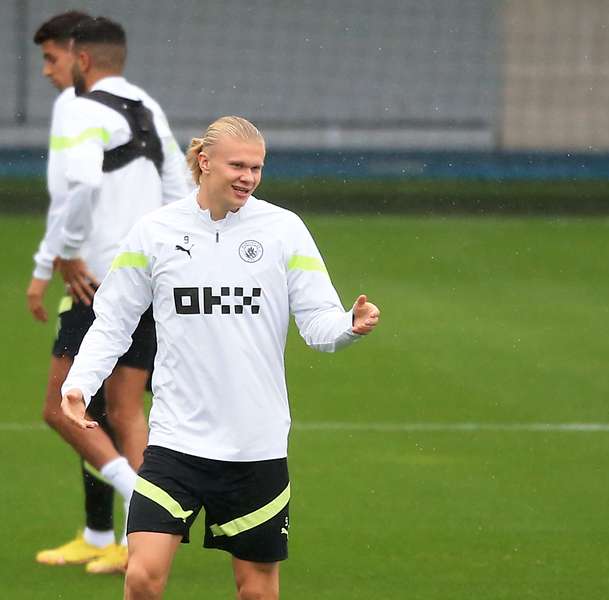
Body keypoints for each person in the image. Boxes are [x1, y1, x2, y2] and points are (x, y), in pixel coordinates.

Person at [60, 115, 381, 599]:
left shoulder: (283, 230)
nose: (248, 177)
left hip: (256, 447)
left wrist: (348, 327)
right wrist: (79, 385)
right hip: (175, 443)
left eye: (257, 167)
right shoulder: (154, 232)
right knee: (143, 577)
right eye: (238, 165)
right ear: (204, 162)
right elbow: (113, 321)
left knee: (255, 590)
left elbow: (319, 323)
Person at [31, 15, 191, 574]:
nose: (48, 72)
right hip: (149, 278)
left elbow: (79, 185)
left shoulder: (77, 107)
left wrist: (64, 254)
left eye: (51, 59)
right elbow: (180, 190)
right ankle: (105, 536)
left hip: (96, 281)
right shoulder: (147, 107)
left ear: (81, 58)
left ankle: (142, 514)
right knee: (115, 410)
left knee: (62, 408)